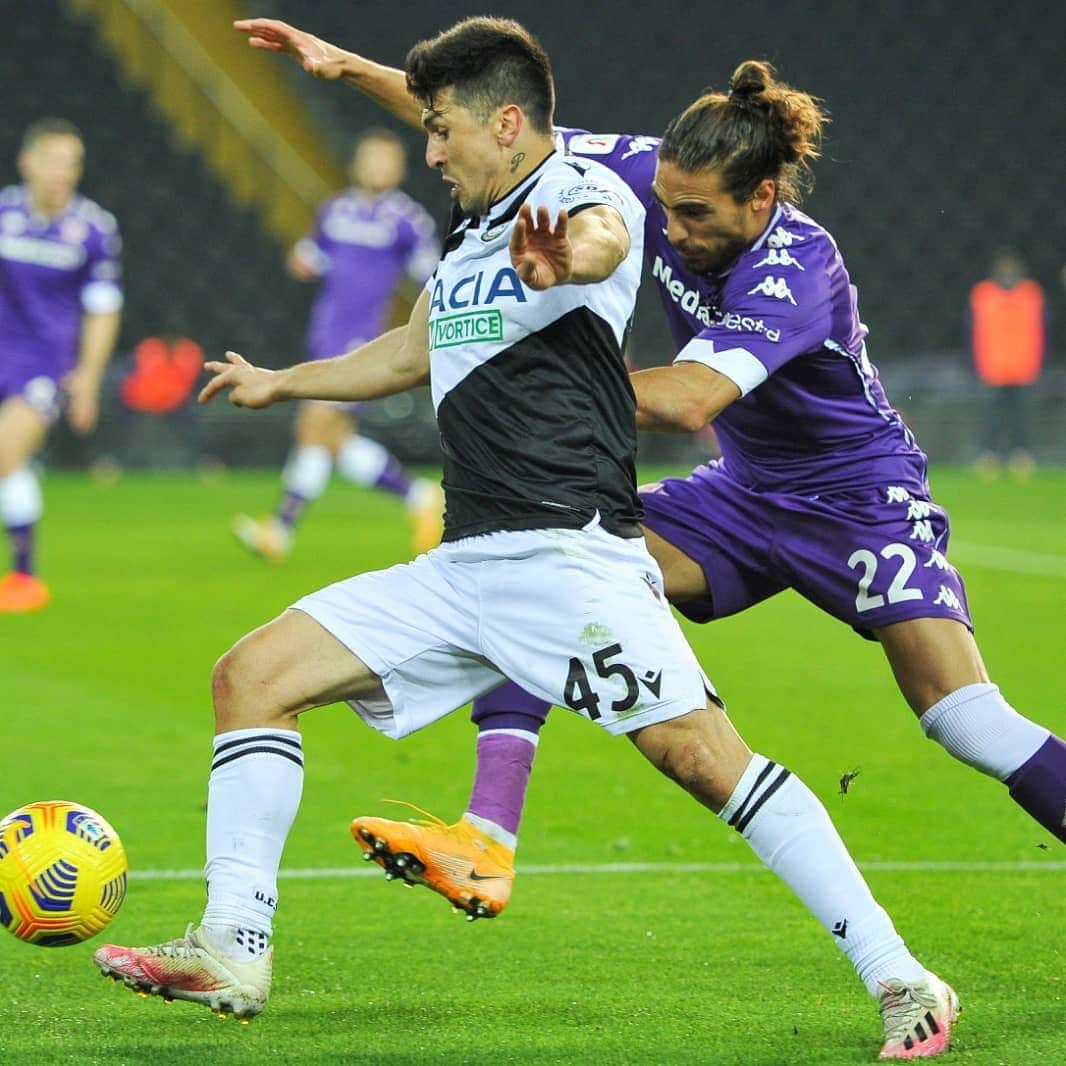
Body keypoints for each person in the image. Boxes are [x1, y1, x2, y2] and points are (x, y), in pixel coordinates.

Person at [94, 19, 957, 1059]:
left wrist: (565, 263)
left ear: (507, 124)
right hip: (467, 563)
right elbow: (412, 351)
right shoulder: (467, 233)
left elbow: (599, 237)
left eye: (442, 129)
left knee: (703, 760)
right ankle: (231, 947)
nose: (430, 150)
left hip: (565, 556)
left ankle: (900, 974)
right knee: (251, 675)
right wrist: (286, 381)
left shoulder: (576, 200)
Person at [230, 23, 1066, 929]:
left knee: (964, 719)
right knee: (551, 557)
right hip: (743, 492)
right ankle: (485, 837)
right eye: (662, 207)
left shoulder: (799, 267)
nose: (670, 228)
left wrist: (524, 375)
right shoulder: (658, 171)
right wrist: (351, 68)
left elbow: (690, 397)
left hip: (860, 500)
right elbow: (497, 129)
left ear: (762, 199)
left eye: (695, 215)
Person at [232, 128, 443, 561]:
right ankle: (419, 496)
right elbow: (312, 255)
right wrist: (303, 259)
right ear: (356, 164)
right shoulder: (336, 210)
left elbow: (433, 277)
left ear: (400, 169)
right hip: (324, 332)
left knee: (314, 427)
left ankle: (282, 529)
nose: (376, 168)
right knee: (331, 440)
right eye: (370, 159)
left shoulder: (406, 219)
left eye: (385, 160)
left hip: (362, 337)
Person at [0, 118, 123, 612]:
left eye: (72, 163)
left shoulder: (93, 229)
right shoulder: (4, 212)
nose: (63, 173)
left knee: (5, 454)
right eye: (53, 160)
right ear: (26, 162)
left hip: (43, 366)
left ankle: (25, 578)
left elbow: (103, 308)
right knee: (13, 466)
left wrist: (88, 379)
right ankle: (25, 576)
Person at [968, 249, 1045, 479]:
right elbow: (973, 333)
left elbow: (1042, 332)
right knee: (991, 417)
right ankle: (988, 456)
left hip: (1023, 367)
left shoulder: (1031, 294)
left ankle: (1021, 456)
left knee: (1021, 417)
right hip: (993, 367)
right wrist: (976, 365)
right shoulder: (983, 294)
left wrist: (1038, 362)